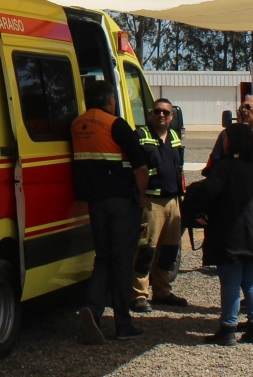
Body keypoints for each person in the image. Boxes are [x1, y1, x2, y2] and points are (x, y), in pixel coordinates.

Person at [70, 80, 150, 345]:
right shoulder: (116, 124)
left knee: (103, 257)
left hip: (95, 204)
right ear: (110, 100)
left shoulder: (77, 125)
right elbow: (140, 166)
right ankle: (123, 325)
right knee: (122, 260)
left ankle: (91, 309)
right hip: (121, 203)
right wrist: (142, 197)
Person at [184, 124, 253, 345]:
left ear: (231, 141)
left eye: (225, 138)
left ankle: (228, 328)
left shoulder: (225, 168)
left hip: (231, 230)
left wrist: (196, 209)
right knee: (252, 280)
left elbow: (208, 192)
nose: (223, 141)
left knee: (231, 281)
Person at [132, 99, 187, 311]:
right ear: (151, 113)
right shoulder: (140, 136)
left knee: (169, 251)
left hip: (173, 202)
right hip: (151, 202)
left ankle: (162, 292)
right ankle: (139, 295)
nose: (161, 115)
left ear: (172, 117)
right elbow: (135, 169)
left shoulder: (173, 136)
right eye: (157, 111)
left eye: (165, 112)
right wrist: (141, 196)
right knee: (146, 250)